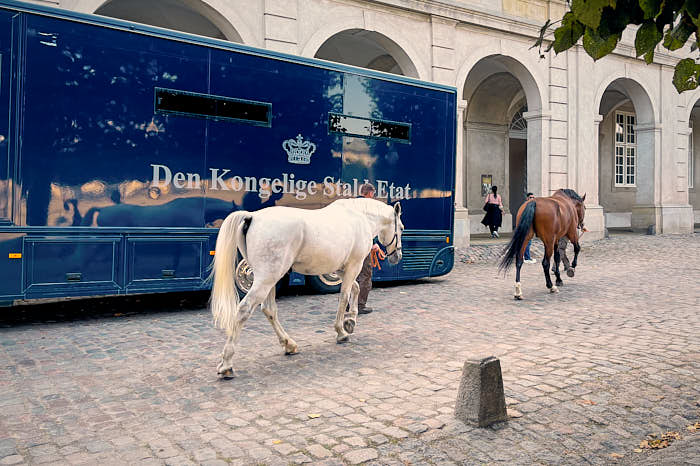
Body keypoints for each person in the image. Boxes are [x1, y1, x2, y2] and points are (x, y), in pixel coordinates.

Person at [355, 182, 384, 315]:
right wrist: (374, 242)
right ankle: (360, 305)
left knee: (352, 276)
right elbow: (369, 226)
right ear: (371, 193)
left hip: (352, 245)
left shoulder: (353, 204)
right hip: (364, 244)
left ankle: (349, 305)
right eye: (373, 194)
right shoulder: (368, 206)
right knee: (365, 275)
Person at [523, 192, 537, 263]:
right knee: (527, 242)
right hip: (526, 226)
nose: (532, 199)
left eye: (533, 197)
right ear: (527, 198)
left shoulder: (532, 205)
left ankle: (525, 256)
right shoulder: (526, 205)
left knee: (527, 242)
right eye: (531, 197)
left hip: (529, 226)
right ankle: (527, 258)